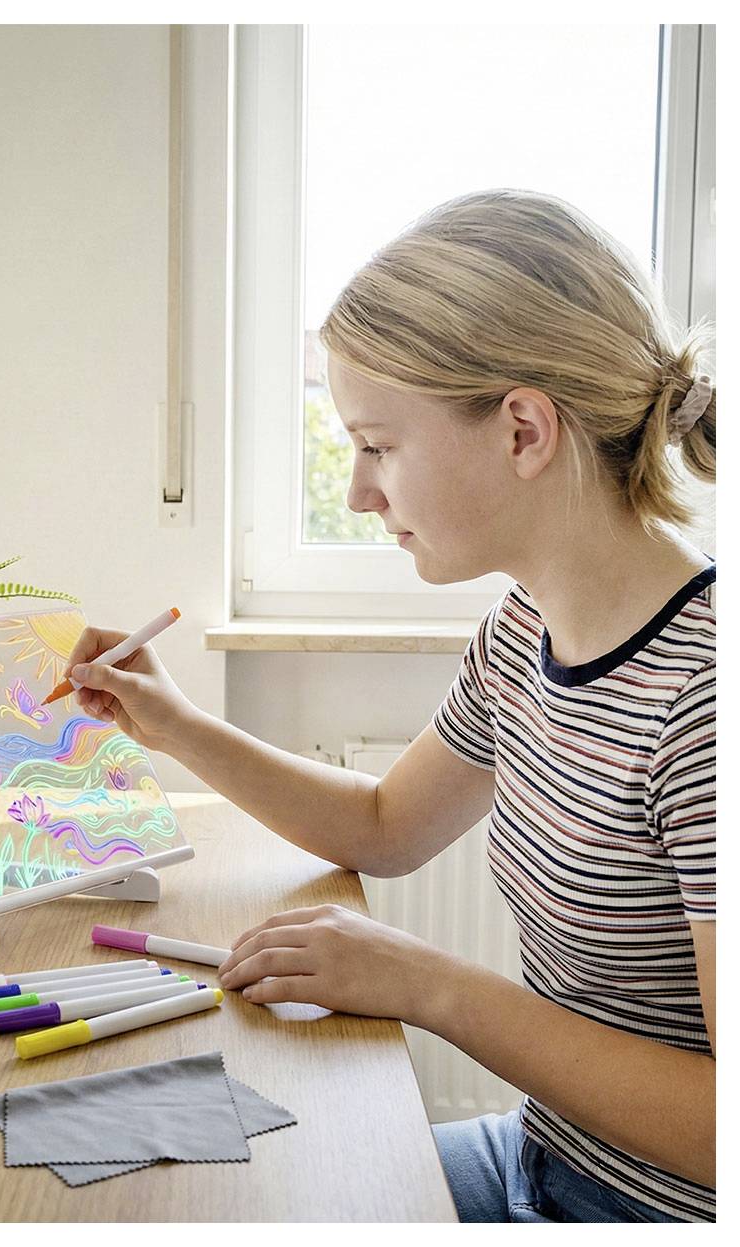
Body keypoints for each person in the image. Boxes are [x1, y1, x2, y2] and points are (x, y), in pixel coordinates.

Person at [64, 190, 715, 1222]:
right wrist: (172, 722)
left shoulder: (704, 705)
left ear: (521, 428)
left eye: (376, 444)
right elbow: (383, 825)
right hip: (535, 1156)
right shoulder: (521, 632)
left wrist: (430, 984)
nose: (361, 493)